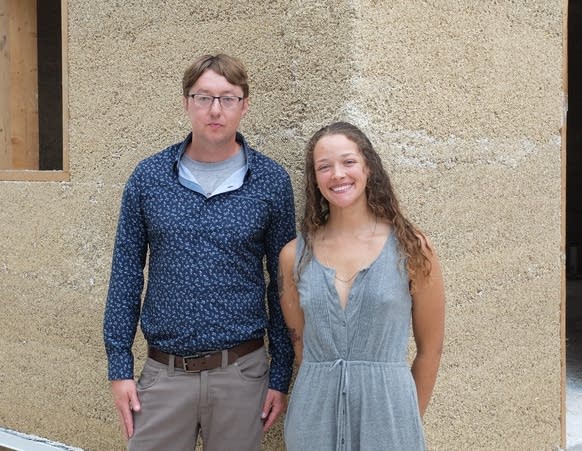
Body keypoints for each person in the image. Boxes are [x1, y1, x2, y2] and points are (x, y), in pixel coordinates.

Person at [103, 53, 296, 451]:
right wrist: (119, 366)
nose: (215, 109)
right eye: (203, 96)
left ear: (245, 104)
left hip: (241, 375)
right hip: (164, 375)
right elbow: (125, 274)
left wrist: (281, 373)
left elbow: (284, 285)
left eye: (228, 98)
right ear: (186, 102)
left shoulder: (271, 181)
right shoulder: (149, 178)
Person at [279, 121, 445, 450]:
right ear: (315, 179)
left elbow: (430, 351)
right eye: (324, 167)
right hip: (313, 418)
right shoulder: (294, 256)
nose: (337, 174)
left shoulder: (412, 248)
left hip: (389, 417)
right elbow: (302, 347)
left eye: (348, 162)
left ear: (368, 167)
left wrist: (405, 418)